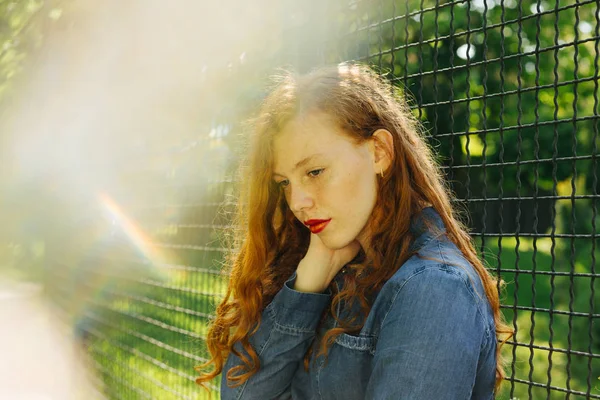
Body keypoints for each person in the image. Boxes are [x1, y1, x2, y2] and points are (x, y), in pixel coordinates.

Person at [195, 63, 513, 399]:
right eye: (284, 183)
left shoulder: (434, 289)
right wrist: (308, 283)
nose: (297, 202)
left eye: (315, 171)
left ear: (379, 152)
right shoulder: (333, 267)